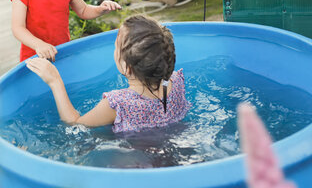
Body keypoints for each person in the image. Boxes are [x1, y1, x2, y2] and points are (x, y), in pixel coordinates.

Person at [26, 14, 190, 133]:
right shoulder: (174, 81)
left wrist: (55, 82)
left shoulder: (117, 104)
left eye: (116, 47)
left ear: (127, 68)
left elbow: (75, 124)